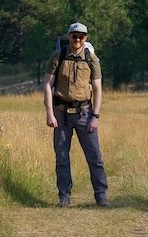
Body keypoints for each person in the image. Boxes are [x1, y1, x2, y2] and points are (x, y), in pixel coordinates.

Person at [43, 22, 109, 207]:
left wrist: (95, 116)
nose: (77, 39)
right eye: (74, 36)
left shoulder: (91, 59)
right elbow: (48, 85)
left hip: (85, 113)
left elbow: (97, 88)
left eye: (81, 36)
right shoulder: (58, 57)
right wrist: (50, 113)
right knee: (62, 157)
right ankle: (64, 196)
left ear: (85, 38)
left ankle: (101, 195)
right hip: (61, 114)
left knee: (95, 156)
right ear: (69, 37)